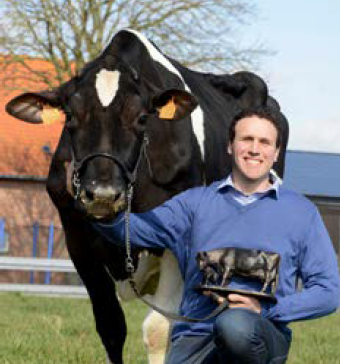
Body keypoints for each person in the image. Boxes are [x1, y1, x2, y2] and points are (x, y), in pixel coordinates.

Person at [94, 105, 340, 364]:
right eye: (246, 139)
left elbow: (328, 291)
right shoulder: (194, 204)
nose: (255, 149)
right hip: (195, 335)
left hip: (259, 336)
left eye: (264, 142)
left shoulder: (301, 212)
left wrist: (268, 310)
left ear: (276, 153)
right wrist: (101, 211)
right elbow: (135, 230)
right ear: (230, 146)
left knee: (235, 325)